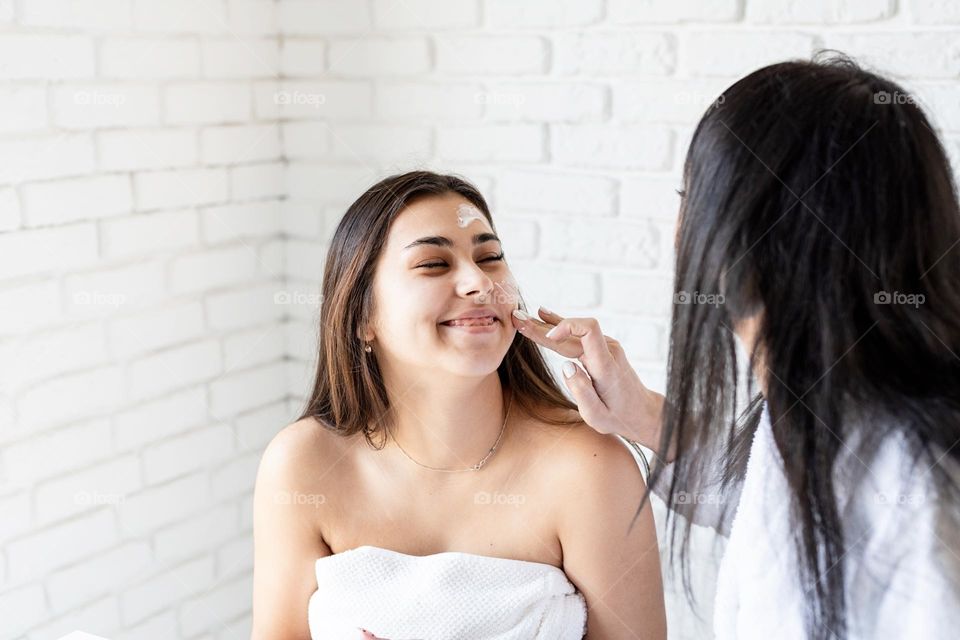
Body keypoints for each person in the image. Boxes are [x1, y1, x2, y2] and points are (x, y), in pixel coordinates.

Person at [511, 55, 960, 640]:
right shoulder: (825, 414)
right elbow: (773, 506)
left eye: (690, 197)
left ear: (754, 231)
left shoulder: (920, 500)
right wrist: (643, 414)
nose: (678, 230)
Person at [250, 171, 667, 639]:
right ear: (362, 315)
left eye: (490, 258)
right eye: (433, 264)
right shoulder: (303, 463)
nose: (478, 282)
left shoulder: (589, 467)